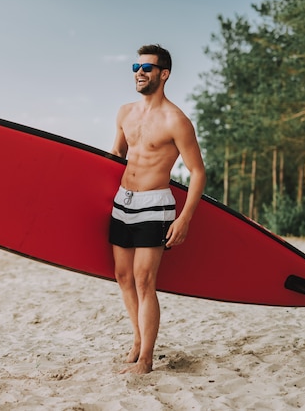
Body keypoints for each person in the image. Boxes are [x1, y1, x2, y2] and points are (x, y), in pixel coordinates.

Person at [109, 44, 206, 374]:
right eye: (136, 66)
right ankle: (138, 340)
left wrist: (185, 218)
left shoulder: (176, 120)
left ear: (163, 74)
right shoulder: (124, 113)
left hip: (154, 204)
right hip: (123, 201)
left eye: (146, 67)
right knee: (123, 277)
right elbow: (115, 157)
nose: (139, 71)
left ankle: (147, 359)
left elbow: (198, 172)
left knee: (143, 281)